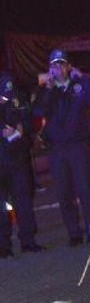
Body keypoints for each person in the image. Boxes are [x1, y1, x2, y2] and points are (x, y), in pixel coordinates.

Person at [33, 49, 90, 246]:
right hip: (57, 149)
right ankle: (74, 233)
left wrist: (84, 78)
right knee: (64, 194)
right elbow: (38, 111)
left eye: (61, 64)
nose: (57, 68)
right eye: (53, 65)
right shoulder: (47, 90)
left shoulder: (79, 86)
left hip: (78, 146)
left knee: (86, 192)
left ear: (68, 66)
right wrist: (47, 89)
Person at [0, 72, 42, 257]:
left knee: (24, 201)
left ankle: (28, 241)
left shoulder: (17, 93)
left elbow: (29, 119)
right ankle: (3, 247)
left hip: (18, 158)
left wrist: (20, 130)